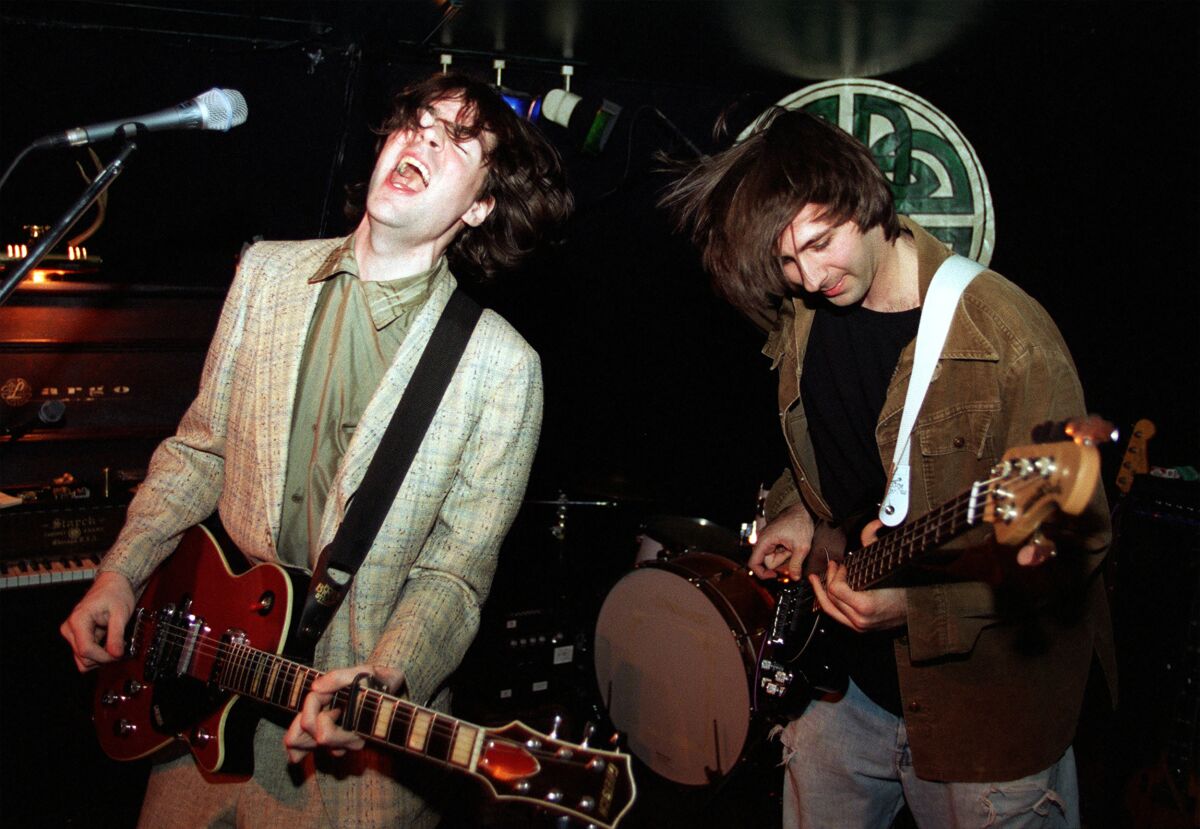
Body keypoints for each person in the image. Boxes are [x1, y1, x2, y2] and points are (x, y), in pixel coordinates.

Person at [60, 72, 572, 827]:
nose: (422, 137)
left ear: (480, 206)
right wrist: (122, 569)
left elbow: (455, 574)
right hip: (194, 703)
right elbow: (200, 451)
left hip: (349, 766)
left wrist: (385, 680)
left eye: (459, 139)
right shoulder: (265, 273)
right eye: (416, 121)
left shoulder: (501, 367)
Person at [664, 108, 1114, 827]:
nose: (809, 276)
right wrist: (801, 507)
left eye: (821, 242)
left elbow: (1074, 551)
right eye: (786, 261)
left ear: (867, 200)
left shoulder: (1008, 338)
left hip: (983, 717)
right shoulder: (806, 315)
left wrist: (919, 606)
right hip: (844, 690)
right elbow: (844, 454)